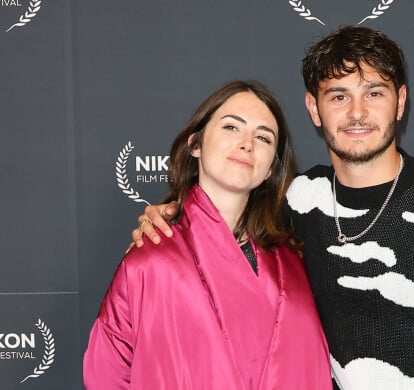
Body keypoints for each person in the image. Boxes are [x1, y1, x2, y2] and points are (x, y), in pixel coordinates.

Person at [131, 27, 414, 389]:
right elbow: (221, 226)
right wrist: (171, 213)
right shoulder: (295, 200)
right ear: (313, 110)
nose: (357, 112)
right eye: (338, 96)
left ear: (400, 100)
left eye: (374, 92)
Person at [83, 80, 332, 389]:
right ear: (196, 144)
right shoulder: (151, 259)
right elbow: (106, 371)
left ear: (270, 168)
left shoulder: (295, 261)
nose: (247, 143)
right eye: (231, 128)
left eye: (264, 137)